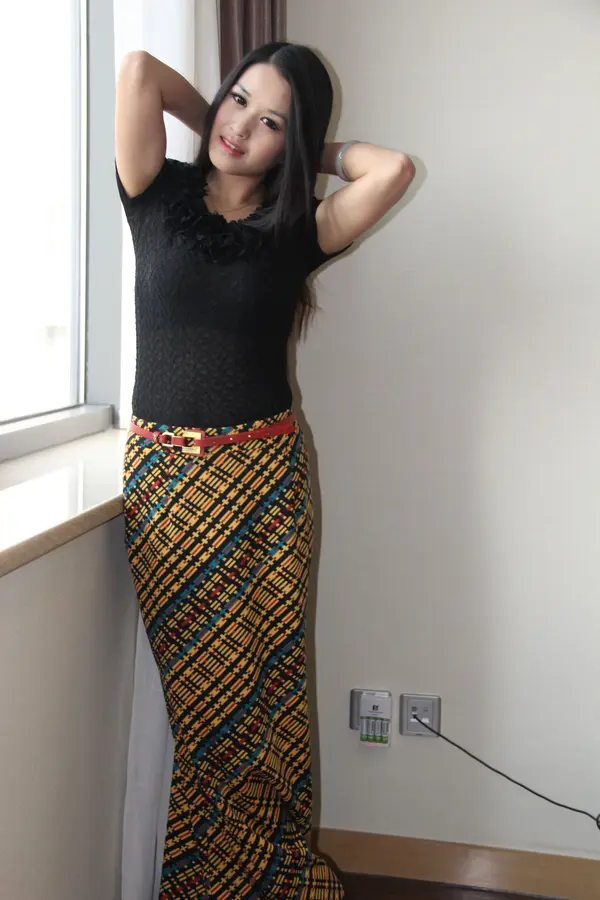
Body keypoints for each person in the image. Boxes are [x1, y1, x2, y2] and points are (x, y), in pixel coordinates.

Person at [115, 40, 415, 899]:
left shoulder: (296, 231)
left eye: (271, 121)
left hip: (266, 488)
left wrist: (306, 148)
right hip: (168, 489)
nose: (242, 128)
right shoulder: (156, 192)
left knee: (270, 702)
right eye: (239, 100)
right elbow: (138, 71)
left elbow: (392, 169)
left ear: (294, 141)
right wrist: (221, 113)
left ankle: (268, 880)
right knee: (210, 712)